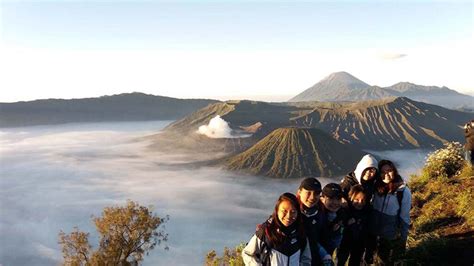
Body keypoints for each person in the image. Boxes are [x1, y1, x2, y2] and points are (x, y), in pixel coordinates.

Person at [242, 192, 312, 266]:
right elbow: (247, 253)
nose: (288, 216)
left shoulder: (300, 233)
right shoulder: (266, 231)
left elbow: (306, 259)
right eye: (284, 211)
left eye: (293, 212)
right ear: (277, 211)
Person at [366, 160, 411, 265]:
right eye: (382, 171)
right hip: (372, 231)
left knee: (384, 260)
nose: (386, 174)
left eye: (389, 170)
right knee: (368, 259)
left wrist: (403, 239)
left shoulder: (403, 191)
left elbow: (404, 217)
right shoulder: (376, 186)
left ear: (394, 171)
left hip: (388, 235)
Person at [297, 178, 331, 266]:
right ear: (299, 192)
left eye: (316, 193)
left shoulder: (321, 212)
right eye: (308, 193)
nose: (312, 197)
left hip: (315, 260)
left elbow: (323, 238)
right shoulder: (290, 212)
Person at [336, 185, 370, 266]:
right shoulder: (344, 211)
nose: (360, 203)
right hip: (344, 243)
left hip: (359, 244)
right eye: (357, 199)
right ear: (351, 198)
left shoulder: (367, 212)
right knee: (340, 262)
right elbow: (338, 226)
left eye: (363, 200)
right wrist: (347, 224)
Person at [319, 183, 345, 259]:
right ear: (322, 198)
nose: (335, 202)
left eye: (338, 198)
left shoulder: (341, 213)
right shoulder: (316, 215)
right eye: (331, 198)